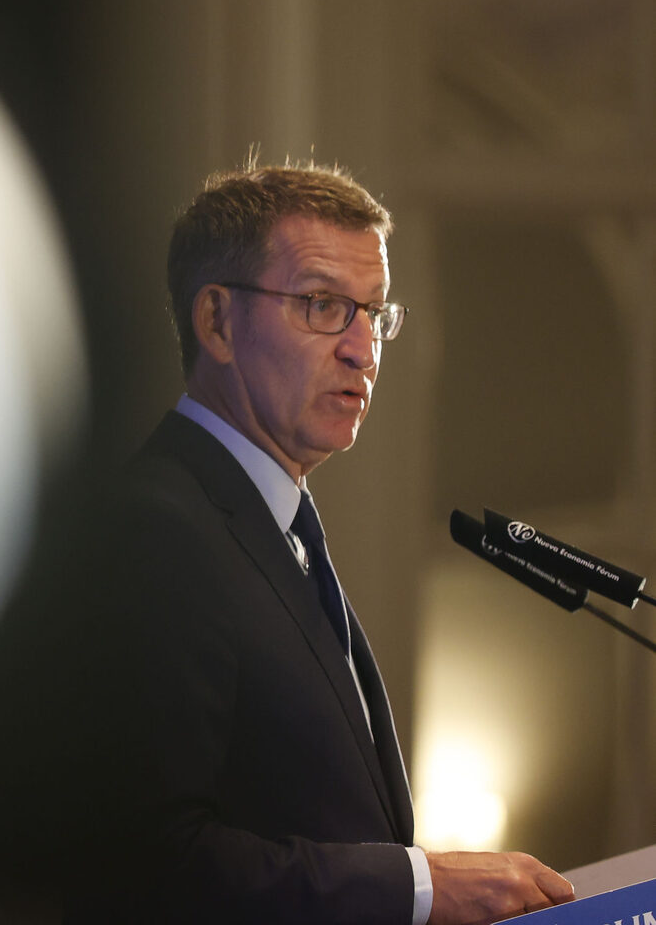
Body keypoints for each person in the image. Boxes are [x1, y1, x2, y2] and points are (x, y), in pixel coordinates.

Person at [63, 162, 575, 924]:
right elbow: (145, 863)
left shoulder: (272, 526)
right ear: (217, 322)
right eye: (323, 306)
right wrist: (419, 888)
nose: (362, 350)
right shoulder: (157, 528)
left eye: (374, 312)